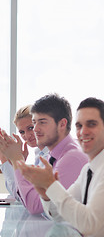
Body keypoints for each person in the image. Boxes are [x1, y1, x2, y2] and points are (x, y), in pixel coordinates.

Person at [17, 97, 104, 236]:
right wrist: (46, 195)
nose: (83, 132)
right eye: (79, 126)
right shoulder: (88, 170)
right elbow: (61, 215)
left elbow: (90, 224)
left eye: (92, 124)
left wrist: (51, 186)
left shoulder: (85, 163)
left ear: (62, 124)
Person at [0, 94, 88, 214]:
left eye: (42, 122)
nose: (35, 130)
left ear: (62, 124)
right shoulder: (53, 155)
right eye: (35, 123)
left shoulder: (72, 157)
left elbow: (35, 206)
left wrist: (17, 159)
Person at [0, 105, 49, 201]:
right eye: (22, 132)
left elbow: (27, 198)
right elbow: (20, 194)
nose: (27, 135)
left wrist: (15, 161)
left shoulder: (49, 156)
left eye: (30, 128)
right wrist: (13, 162)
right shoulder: (39, 155)